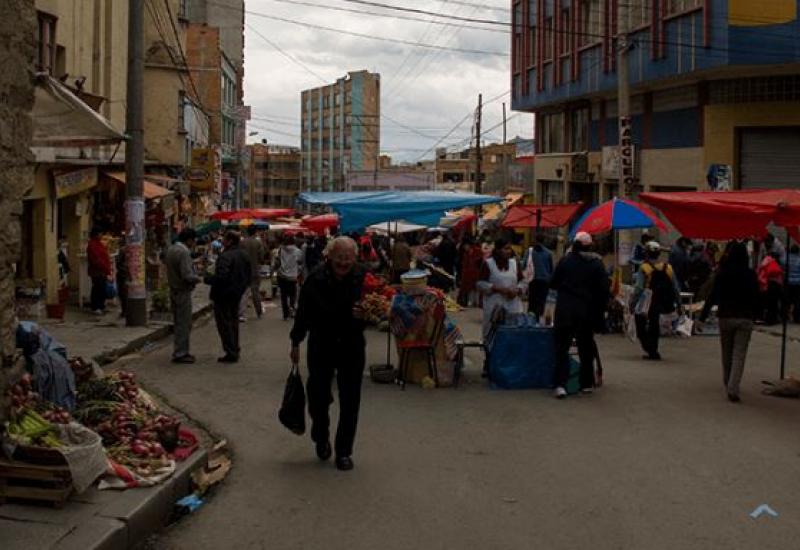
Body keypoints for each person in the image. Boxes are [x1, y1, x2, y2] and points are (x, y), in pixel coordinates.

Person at [290, 237, 367, 471]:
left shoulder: (363, 277)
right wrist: (295, 342)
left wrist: (366, 313)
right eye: (339, 257)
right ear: (330, 257)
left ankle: (344, 451)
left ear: (354, 258)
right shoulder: (315, 278)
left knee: (350, 401)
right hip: (322, 344)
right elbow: (302, 312)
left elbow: (377, 306)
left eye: (348, 258)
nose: (343, 262)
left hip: (351, 344)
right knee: (318, 397)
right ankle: (321, 434)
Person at [549, 232, 610, 399]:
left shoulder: (565, 261)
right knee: (585, 347)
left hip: (565, 311)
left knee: (562, 348)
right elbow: (604, 290)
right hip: (586, 312)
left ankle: (560, 385)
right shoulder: (597, 264)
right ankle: (586, 383)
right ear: (590, 246)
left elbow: (553, 283)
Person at [698, 241, 760, 402]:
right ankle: (733, 388)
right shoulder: (751, 274)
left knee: (727, 351)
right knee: (739, 354)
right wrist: (757, 315)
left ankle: (728, 381)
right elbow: (757, 297)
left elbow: (712, 297)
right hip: (745, 317)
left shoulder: (723, 273)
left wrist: (702, 317)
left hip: (725, 316)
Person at [204, 231, 251, 363]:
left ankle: (231, 351)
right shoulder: (243, 254)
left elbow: (221, 277)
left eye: (224, 238)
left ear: (230, 241)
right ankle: (234, 348)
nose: (222, 240)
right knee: (233, 322)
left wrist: (208, 279)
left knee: (224, 324)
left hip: (223, 294)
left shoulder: (226, 256)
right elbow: (248, 275)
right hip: (236, 293)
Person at [633, 241, 681, 360]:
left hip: (647, 301)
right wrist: (679, 303)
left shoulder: (644, 267)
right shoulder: (668, 268)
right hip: (663, 301)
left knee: (641, 325)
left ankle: (650, 349)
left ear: (647, 253)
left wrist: (633, 302)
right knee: (654, 325)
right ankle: (653, 350)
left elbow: (639, 288)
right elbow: (675, 288)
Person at [477, 239, 526, 344]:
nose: (508, 251)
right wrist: (498, 289)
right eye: (505, 248)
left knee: (512, 339)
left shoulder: (514, 263)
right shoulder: (488, 264)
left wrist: (518, 290)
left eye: (509, 248)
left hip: (513, 308)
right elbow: (480, 284)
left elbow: (523, 281)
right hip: (494, 309)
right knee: (494, 340)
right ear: (498, 250)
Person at [165, 229, 202, 363]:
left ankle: (179, 350)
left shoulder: (171, 249)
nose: (194, 243)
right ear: (189, 240)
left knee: (178, 322)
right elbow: (187, 275)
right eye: (193, 240)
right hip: (182, 290)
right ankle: (181, 353)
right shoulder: (184, 252)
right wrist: (199, 278)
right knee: (184, 323)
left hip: (174, 289)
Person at [521, 234, 554, 321]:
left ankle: (531, 319)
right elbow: (551, 269)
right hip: (544, 281)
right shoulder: (549, 253)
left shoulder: (529, 251)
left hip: (533, 280)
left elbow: (524, 265)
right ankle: (537, 319)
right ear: (544, 241)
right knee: (541, 301)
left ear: (535, 240)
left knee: (532, 300)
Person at [274, 234, 304, 321]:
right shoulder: (298, 251)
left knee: (283, 296)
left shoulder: (281, 249)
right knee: (292, 294)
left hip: (282, 275)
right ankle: (292, 307)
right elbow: (300, 262)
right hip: (293, 276)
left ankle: (285, 314)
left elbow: (277, 261)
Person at [240, 226, 267, 320]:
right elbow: (261, 257)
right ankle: (259, 312)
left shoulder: (242, 242)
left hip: (244, 270)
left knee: (244, 292)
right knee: (255, 292)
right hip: (255, 270)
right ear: (255, 232)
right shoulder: (258, 242)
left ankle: (241, 314)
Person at [87, 227, 112, 314]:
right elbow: (96, 259)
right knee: (97, 288)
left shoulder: (98, 244)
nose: (101, 235)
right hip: (97, 270)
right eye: (100, 233)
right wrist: (104, 266)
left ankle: (101, 305)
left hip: (102, 270)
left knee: (102, 288)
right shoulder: (92, 244)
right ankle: (95, 306)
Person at [758, 251, 784, 325]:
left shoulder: (765, 261)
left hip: (766, 284)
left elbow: (761, 271)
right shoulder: (776, 263)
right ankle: (772, 319)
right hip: (775, 284)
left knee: (767, 303)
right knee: (773, 303)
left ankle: (764, 318)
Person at [457, 234, 483, 307]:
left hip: (476, 273)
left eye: (465, 246)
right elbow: (464, 264)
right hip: (468, 273)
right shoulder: (466, 253)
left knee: (476, 288)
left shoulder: (477, 251)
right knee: (470, 288)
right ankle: (471, 301)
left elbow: (481, 263)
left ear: (469, 245)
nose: (465, 247)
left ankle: (477, 302)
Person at [788, 245, 800, 323]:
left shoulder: (786, 259)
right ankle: (797, 318)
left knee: (789, 300)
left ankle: (787, 316)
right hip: (798, 283)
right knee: (797, 301)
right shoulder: (799, 260)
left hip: (788, 283)